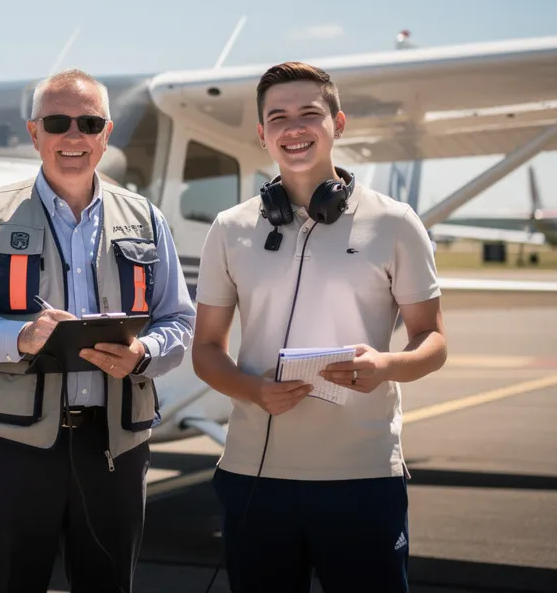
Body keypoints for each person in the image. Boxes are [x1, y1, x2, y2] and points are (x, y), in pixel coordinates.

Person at [0, 68, 196, 593]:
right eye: (57, 122)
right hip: (13, 448)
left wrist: (142, 351)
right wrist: (19, 338)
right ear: (35, 133)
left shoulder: (146, 219)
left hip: (114, 447)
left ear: (106, 133)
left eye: (89, 122)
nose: (74, 136)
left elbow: (179, 321)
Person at [191, 62, 447, 592]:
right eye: (277, 117)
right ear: (262, 134)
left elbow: (433, 340)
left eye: (309, 113)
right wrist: (253, 390)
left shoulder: (396, 222)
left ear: (338, 123)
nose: (294, 128)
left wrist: (385, 366)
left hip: (362, 477)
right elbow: (207, 350)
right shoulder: (230, 228)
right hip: (253, 478)